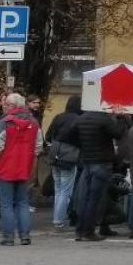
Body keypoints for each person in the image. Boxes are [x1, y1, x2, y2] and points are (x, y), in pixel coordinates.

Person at [63, 103, 126, 243]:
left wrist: (83, 146)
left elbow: (67, 135)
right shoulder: (104, 119)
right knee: (95, 199)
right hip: (102, 162)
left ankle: (80, 230)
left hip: (87, 161)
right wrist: (122, 118)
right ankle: (89, 231)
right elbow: (118, 134)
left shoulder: (81, 118)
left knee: (84, 198)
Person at [0, 92, 43, 246]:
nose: (4, 106)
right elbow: (38, 145)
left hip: (6, 167)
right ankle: (25, 236)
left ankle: (8, 237)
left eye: (6, 104)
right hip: (25, 167)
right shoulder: (34, 123)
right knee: (22, 202)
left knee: (6, 203)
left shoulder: (4, 123)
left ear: (12, 106)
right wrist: (31, 158)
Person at [45, 95, 82, 230]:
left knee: (58, 189)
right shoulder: (79, 120)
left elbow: (48, 135)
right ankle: (58, 220)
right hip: (69, 156)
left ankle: (57, 217)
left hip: (55, 154)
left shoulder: (58, 117)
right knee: (66, 190)